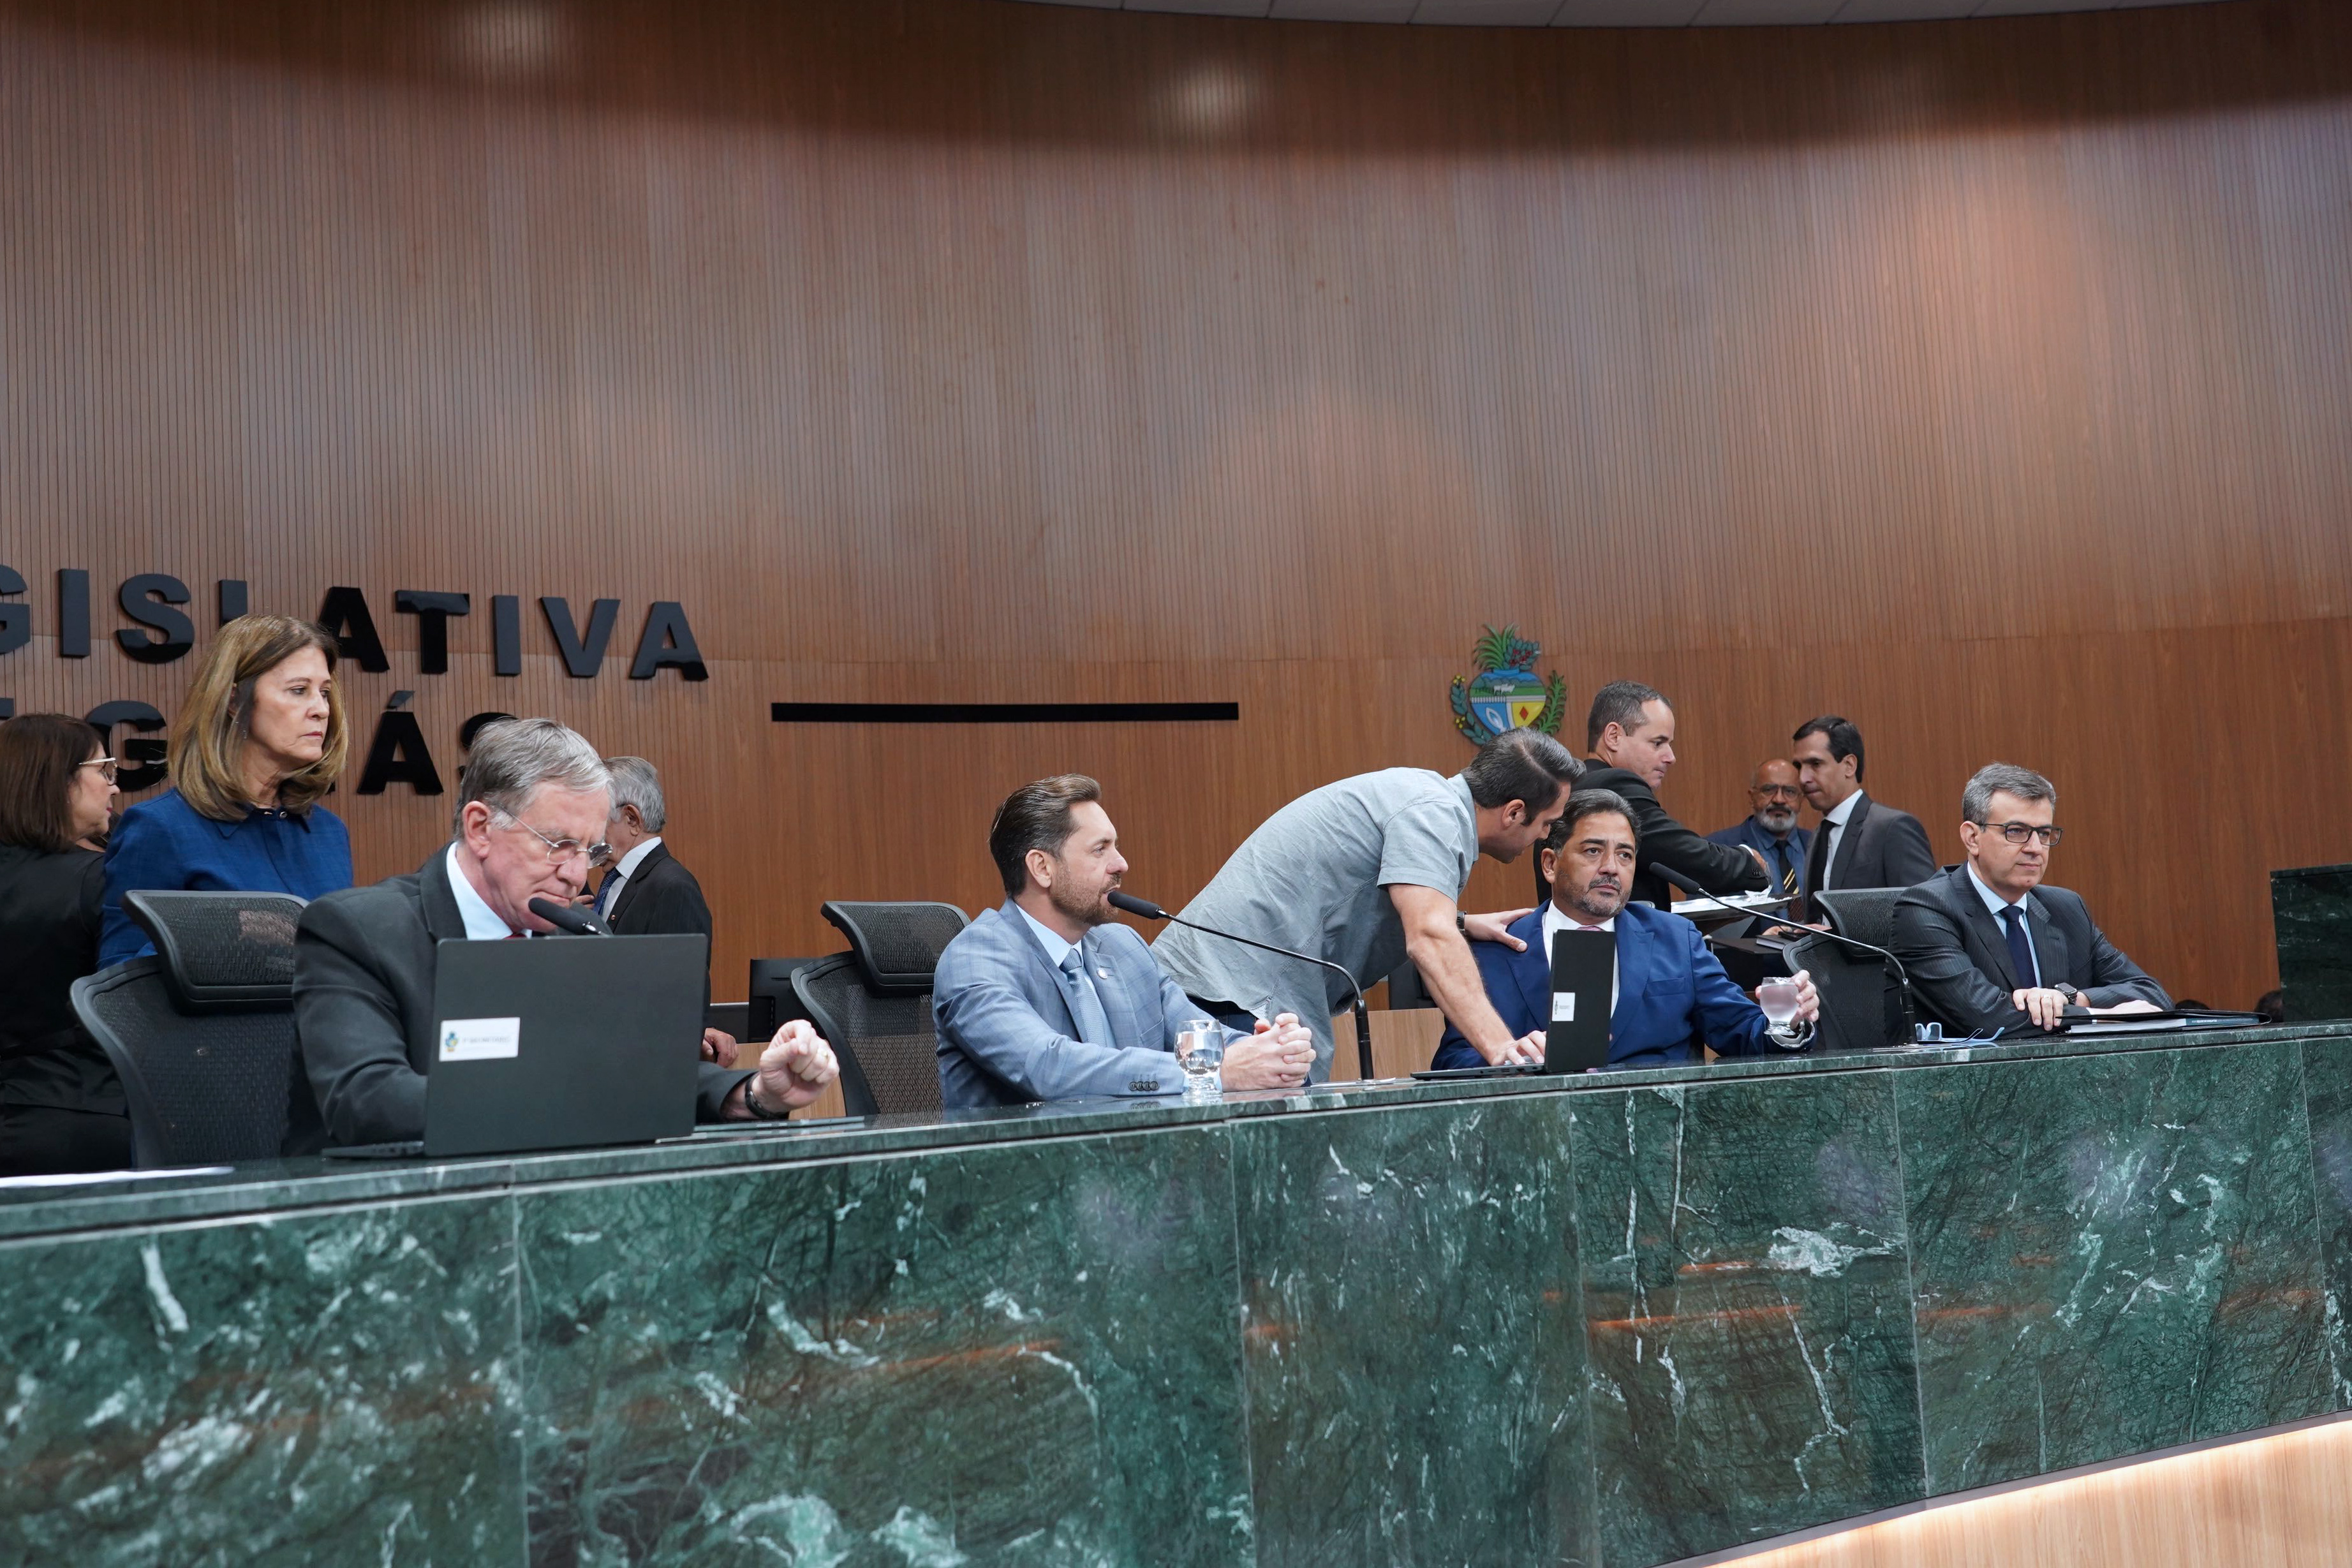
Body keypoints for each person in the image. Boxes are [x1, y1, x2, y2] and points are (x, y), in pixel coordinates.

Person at [286, 719, 838, 1153]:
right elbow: (368, 1102)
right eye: (557, 846)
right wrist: (568, 1090)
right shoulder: (357, 930)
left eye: (591, 850)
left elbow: (638, 1073)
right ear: (480, 827)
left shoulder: (580, 933)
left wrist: (755, 1095)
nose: (577, 875)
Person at [1151, 729, 1583, 1077]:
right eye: (1546, 823)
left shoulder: (1420, 794)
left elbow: (1376, 892)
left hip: (1217, 990)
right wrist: (1504, 1050)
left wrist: (1462, 922)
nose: (1545, 836)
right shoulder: (1435, 814)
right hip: (1230, 999)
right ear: (1513, 812)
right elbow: (1428, 937)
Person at [933, 775, 1317, 1107]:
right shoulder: (976, 959)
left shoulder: (1123, 947)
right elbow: (1046, 1067)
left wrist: (1268, 1053)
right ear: (1042, 867)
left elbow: (1196, 1036)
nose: (1121, 864)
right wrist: (1217, 1071)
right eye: (1100, 849)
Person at [1431, 789, 1818, 1070]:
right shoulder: (1497, 948)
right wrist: (1513, 1058)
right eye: (1593, 851)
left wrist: (1787, 1022)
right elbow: (1454, 1060)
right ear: (1550, 864)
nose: (1611, 868)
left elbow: (1743, 1031)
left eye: (1625, 855)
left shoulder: (1676, 939)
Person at [99, 616, 355, 965]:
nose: (322, 710)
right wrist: (226, 931)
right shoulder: (160, 828)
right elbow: (122, 973)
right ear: (235, 701)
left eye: (324, 693)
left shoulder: (328, 832)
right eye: (299, 691)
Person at [1891, 763, 2170, 1036]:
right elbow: (1989, 1018)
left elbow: (2153, 995)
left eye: (2044, 833)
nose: (2036, 848)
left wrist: (2072, 998)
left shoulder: (2066, 908)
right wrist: (2095, 1016)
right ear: (1972, 837)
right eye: (2016, 831)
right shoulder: (1927, 908)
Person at [0, 715, 130, 1172]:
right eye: (104, 770)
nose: (115, 787)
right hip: (82, 1119)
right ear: (57, 779)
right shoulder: (102, 881)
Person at [1576, 682, 1768, 912]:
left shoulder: (1574, 783)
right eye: (1658, 743)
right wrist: (1750, 862)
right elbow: (1687, 856)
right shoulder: (1616, 785)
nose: (1671, 757)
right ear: (1614, 736)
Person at [596, 756, 736, 1067]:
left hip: (647, 1065)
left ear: (632, 819)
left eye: (597, 819)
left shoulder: (672, 886)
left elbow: (681, 1000)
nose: (589, 834)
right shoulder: (615, 880)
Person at [1791, 715, 1935, 921]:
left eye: (1815, 764)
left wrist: (1841, 934)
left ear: (1849, 765)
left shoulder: (1893, 828)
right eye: (1798, 766)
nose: (1803, 778)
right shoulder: (1819, 835)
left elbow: (1925, 915)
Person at [1706, 758, 1814, 906]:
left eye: (1790, 792)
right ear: (1752, 797)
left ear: (1802, 800)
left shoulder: (1819, 845)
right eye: (1769, 790)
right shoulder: (1717, 849)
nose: (1779, 800)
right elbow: (1702, 917)